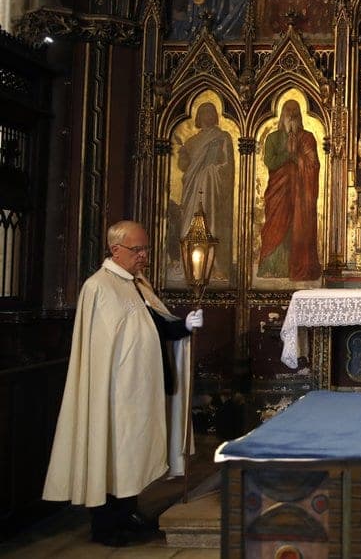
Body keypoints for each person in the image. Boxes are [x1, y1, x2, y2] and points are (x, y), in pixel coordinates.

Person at [43, 221, 204, 547]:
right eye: (137, 250)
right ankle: (105, 525)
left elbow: (157, 326)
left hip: (141, 390)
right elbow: (101, 349)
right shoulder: (99, 287)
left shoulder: (137, 283)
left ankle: (128, 512)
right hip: (114, 394)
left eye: (145, 249)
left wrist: (184, 326)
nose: (144, 255)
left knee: (132, 457)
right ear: (115, 249)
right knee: (112, 453)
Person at [258, 99, 323, 280]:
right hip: (279, 191)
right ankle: (274, 267)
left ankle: (299, 266)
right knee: (275, 224)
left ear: (300, 115)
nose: (292, 115)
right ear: (282, 115)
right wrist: (289, 154)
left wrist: (298, 157)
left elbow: (314, 164)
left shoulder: (308, 137)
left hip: (301, 194)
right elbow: (270, 162)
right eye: (288, 111)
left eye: (295, 111)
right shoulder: (273, 138)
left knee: (298, 225)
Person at [177, 101, 234, 280]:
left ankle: (215, 266)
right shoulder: (191, 141)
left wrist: (211, 171)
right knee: (188, 224)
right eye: (203, 113)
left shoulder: (222, 137)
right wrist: (184, 155)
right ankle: (188, 265)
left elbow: (227, 165)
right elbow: (184, 166)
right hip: (192, 187)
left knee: (211, 222)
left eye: (211, 113)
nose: (207, 116)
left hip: (211, 186)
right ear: (198, 118)